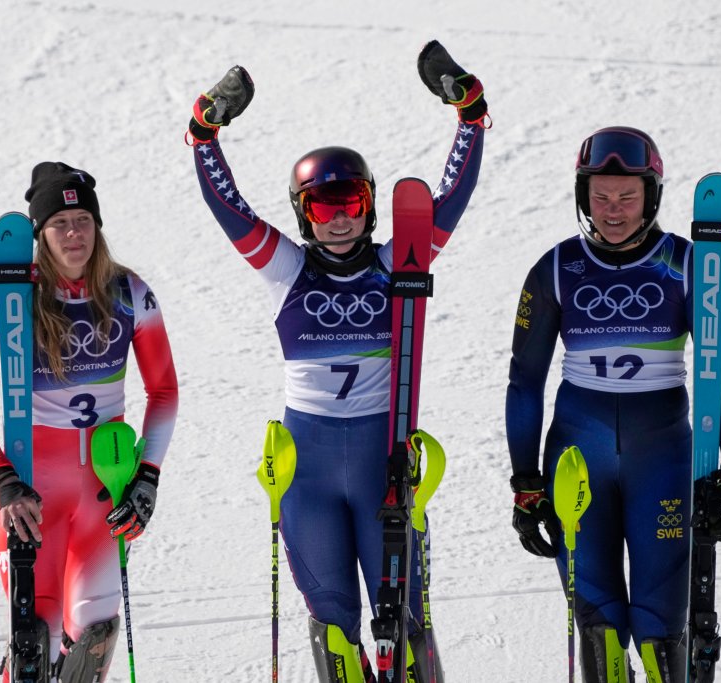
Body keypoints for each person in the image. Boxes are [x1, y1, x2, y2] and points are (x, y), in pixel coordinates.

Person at [187, 41, 487, 683]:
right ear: (304, 214)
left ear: (369, 204)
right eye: (324, 207)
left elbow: (451, 196)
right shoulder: (285, 270)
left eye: (350, 203)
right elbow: (227, 207)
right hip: (309, 471)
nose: (340, 220)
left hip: (384, 464)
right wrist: (203, 134)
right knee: (333, 628)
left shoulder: (399, 263)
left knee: (403, 623)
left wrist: (470, 115)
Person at [505, 127, 721, 683]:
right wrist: (525, 483)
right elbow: (524, 382)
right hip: (577, 459)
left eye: (626, 196)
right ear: (583, 196)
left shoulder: (690, 265)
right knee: (599, 630)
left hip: (662, 460)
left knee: (660, 630)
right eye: (600, 196)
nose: (612, 210)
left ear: (651, 197)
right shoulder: (555, 269)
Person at [0, 162, 179, 681]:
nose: (74, 234)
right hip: (34, 496)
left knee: (95, 636)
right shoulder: (11, 302)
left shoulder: (130, 293)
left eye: (83, 221)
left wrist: (147, 476)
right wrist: (5, 481)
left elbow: (164, 392)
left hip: (105, 489)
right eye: (59, 224)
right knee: (36, 638)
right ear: (40, 235)